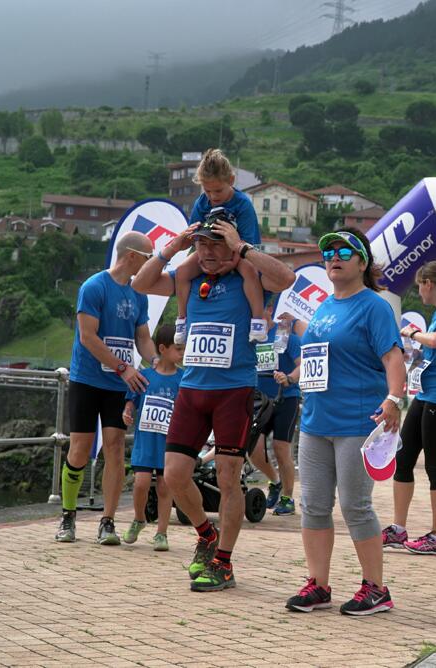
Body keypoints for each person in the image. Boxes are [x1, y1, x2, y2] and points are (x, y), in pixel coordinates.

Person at [132, 215, 295, 592]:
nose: (205, 252)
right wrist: (173, 247)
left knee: (227, 478)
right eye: (200, 244)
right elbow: (139, 283)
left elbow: (287, 279)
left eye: (214, 244)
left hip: (233, 392)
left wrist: (242, 247)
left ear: (231, 244)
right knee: (173, 474)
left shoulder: (248, 275)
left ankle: (223, 562)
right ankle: (206, 534)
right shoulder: (190, 278)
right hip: (192, 390)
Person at [282, 228, 405, 616]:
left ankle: (376, 589)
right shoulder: (324, 307)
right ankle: (318, 585)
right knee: (314, 505)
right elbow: (317, 358)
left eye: (343, 251)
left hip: (357, 421)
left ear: (362, 262)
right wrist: (291, 377)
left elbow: (393, 358)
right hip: (316, 422)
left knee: (355, 506)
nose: (333, 256)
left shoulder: (375, 306)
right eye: (328, 251)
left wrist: (393, 399)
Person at [54, 231, 157, 545]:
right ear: (131, 256)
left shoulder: (139, 294)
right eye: (148, 257)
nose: (151, 263)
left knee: (114, 447)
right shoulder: (94, 287)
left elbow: (142, 337)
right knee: (80, 449)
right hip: (88, 379)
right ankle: (68, 516)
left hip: (118, 383)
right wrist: (124, 367)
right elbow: (88, 337)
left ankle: (107, 521)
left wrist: (159, 363)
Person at [383, 261, 436, 556]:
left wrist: (413, 333)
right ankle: (398, 528)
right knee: (403, 458)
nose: (418, 291)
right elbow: (432, 347)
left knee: (435, 467)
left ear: (428, 284)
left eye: (419, 285)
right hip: (425, 393)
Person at [173, 149, 267, 345]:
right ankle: (182, 319)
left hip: (240, 252)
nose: (213, 196)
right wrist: (201, 258)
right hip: (209, 250)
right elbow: (195, 236)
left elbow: (247, 244)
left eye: (218, 191)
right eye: (207, 191)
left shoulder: (243, 205)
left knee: (249, 270)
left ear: (231, 180)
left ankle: (258, 319)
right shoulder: (201, 203)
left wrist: (232, 263)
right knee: (182, 271)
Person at [120, 324, 184, 551]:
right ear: (162, 349)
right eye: (178, 349)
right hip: (145, 442)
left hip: (169, 445)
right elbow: (131, 401)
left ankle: (162, 533)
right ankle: (139, 518)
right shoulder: (144, 377)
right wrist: (127, 410)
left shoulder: (183, 379)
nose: (182, 353)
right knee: (141, 484)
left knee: (166, 487)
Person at [249, 302, 301, 516]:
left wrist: (288, 378)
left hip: (285, 398)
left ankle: (287, 498)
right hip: (259, 400)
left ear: (269, 309)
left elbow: (302, 363)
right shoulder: (250, 335)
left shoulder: (284, 334)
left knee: (281, 449)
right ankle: (275, 481)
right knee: (253, 449)